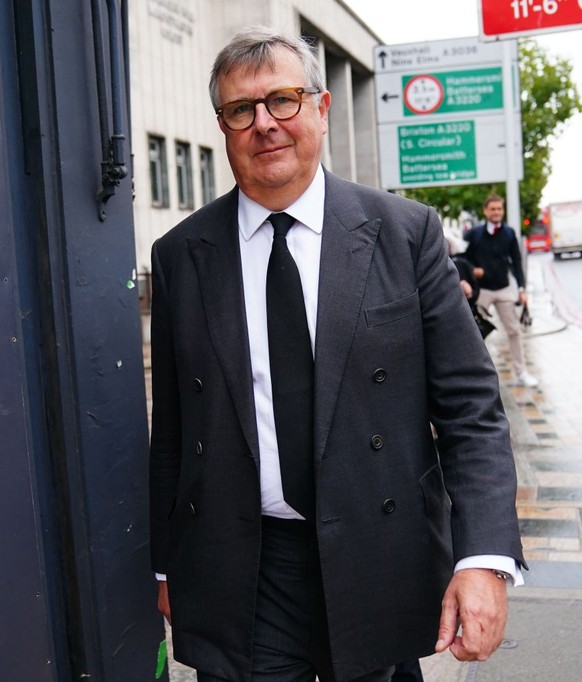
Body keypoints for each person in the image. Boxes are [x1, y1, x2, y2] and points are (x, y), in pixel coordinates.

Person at [149, 27, 526, 682]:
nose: (265, 123)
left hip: (379, 552)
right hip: (246, 565)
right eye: (243, 110)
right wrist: (164, 563)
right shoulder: (182, 255)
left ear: (321, 109)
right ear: (224, 127)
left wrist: (484, 558)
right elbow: (175, 430)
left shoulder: (404, 234)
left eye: (284, 100)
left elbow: (472, 413)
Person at [463, 195, 538, 387]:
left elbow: (517, 261)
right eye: (493, 209)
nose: (497, 212)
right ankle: (475, 376)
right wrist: (472, 270)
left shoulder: (509, 233)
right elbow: (463, 257)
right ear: (486, 211)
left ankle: (521, 373)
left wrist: (522, 288)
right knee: (473, 332)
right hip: (483, 291)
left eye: (499, 209)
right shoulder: (475, 234)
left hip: (504, 288)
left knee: (514, 331)